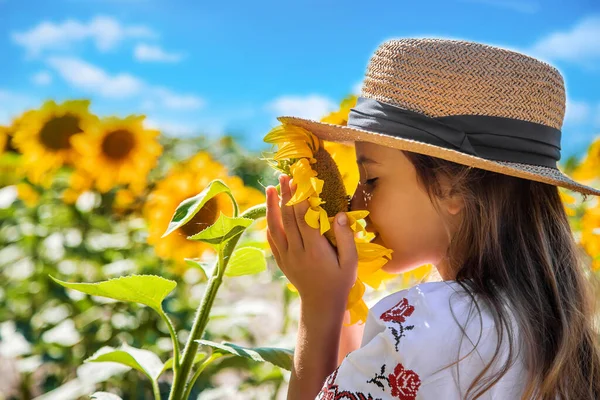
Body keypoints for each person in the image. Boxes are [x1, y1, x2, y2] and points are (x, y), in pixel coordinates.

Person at [264, 38, 600, 400]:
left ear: (449, 187)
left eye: (372, 179)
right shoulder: (552, 331)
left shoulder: (430, 324)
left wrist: (320, 306)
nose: (354, 202)